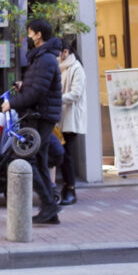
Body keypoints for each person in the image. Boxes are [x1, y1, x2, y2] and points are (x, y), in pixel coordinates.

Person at [3, 19, 64, 225]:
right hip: (40, 115)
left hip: (41, 116)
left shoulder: (45, 59)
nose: (28, 36)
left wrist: (11, 103)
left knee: (29, 158)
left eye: (30, 32)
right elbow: (37, 86)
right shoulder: (42, 58)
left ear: (39, 35)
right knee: (39, 160)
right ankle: (50, 210)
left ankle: (48, 204)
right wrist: (23, 85)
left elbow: (38, 92)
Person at [58, 40, 86, 205]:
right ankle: (66, 188)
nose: (56, 56)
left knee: (66, 153)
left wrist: (55, 99)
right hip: (60, 116)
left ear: (66, 52)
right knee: (61, 153)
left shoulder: (76, 69)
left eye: (58, 53)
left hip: (70, 117)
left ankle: (70, 189)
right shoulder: (61, 67)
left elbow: (76, 94)